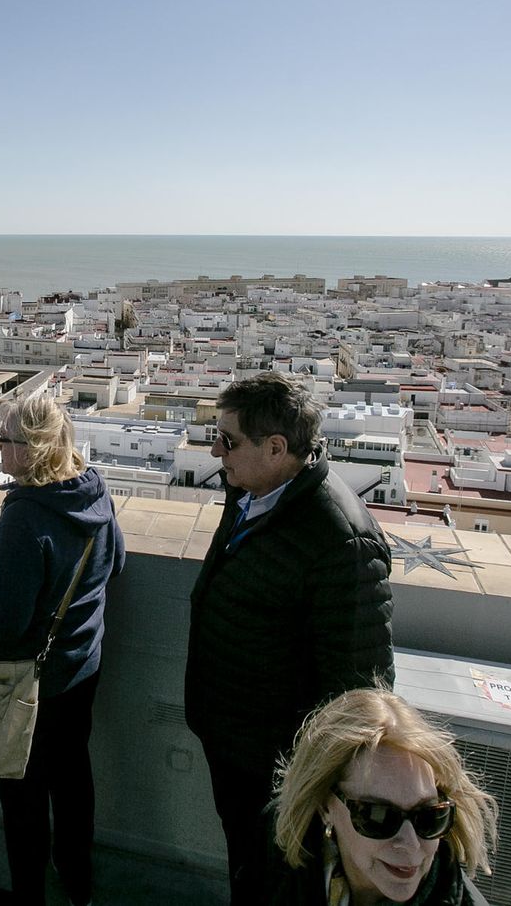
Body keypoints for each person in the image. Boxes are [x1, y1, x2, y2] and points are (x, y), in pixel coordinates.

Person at [186, 371, 395, 905]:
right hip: (233, 740)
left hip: (280, 768)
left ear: (276, 447)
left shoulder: (341, 540)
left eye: (228, 441)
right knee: (247, 867)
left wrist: (316, 780)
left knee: (279, 883)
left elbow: (358, 688)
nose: (216, 451)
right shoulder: (255, 492)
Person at [0, 395, 125, 906]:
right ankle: (77, 885)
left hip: (29, 686)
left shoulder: (26, 520)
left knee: (24, 797)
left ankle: (28, 898)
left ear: (33, 450)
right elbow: (117, 565)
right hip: (81, 672)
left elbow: (0, 624)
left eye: (4, 439)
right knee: (72, 782)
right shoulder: (95, 494)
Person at [267, 689, 496, 906]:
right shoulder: (274, 853)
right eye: (379, 816)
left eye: (429, 817)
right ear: (325, 807)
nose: (410, 844)